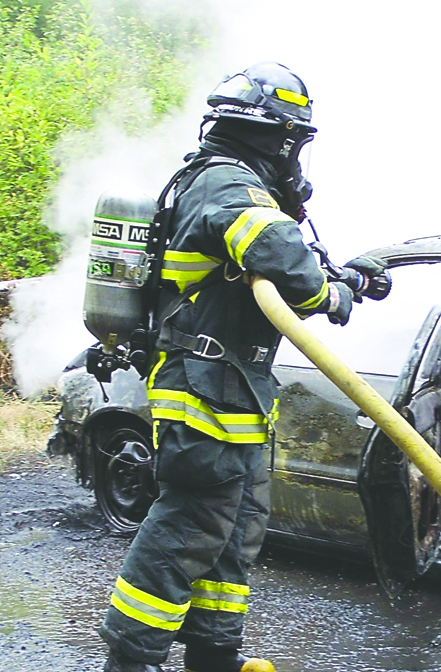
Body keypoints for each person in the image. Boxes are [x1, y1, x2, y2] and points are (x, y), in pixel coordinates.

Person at [100, 62, 390, 672]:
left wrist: (348, 276)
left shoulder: (217, 182)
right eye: (296, 142)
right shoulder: (228, 186)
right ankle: (133, 658)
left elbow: (274, 268)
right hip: (207, 389)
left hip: (234, 388)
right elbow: (287, 264)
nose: (297, 158)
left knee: (233, 533)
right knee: (189, 523)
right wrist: (334, 293)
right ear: (278, 136)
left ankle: (215, 655)